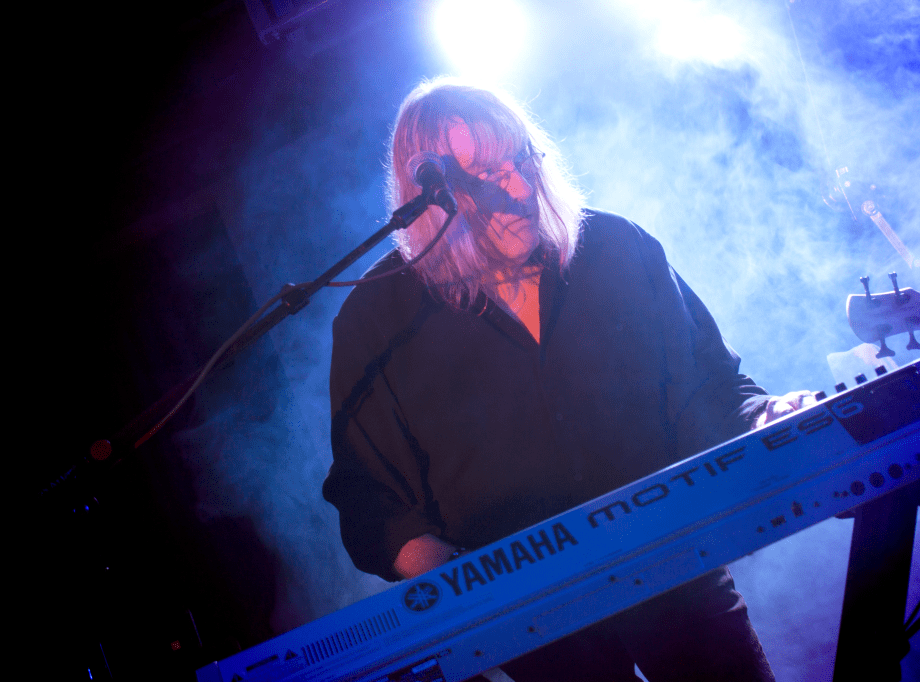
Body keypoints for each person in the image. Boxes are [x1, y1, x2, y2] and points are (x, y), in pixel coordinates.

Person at [324, 78, 808, 681]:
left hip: (677, 570)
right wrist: (458, 583)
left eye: (522, 160)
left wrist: (777, 417)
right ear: (430, 199)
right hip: (532, 625)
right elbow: (369, 497)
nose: (520, 189)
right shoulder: (380, 318)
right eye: (486, 176)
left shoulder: (617, 249)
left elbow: (710, 388)